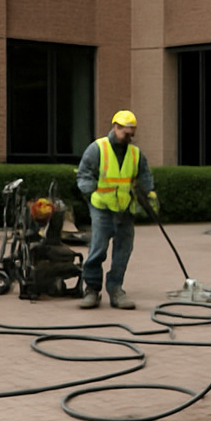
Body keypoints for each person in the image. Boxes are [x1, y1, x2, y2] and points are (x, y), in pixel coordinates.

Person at [77, 110, 156, 310]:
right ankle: (92, 290)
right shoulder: (97, 149)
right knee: (98, 248)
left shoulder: (135, 153)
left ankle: (115, 289)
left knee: (123, 251)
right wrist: (90, 190)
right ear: (116, 127)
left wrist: (148, 195)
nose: (129, 136)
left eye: (132, 133)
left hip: (125, 209)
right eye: (126, 132)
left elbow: (144, 176)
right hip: (102, 207)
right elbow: (84, 174)